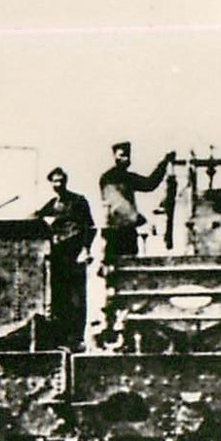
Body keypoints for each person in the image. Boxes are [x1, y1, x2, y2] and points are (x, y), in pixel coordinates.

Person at [35, 167, 95, 346]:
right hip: (58, 258)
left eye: (60, 180)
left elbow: (90, 228)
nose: (58, 184)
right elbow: (36, 216)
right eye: (54, 181)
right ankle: (61, 340)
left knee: (76, 299)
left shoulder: (78, 201)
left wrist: (86, 249)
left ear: (66, 181)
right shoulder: (52, 204)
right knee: (59, 299)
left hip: (75, 257)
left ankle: (77, 339)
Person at [98, 141, 176, 263]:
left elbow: (149, 184)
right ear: (114, 156)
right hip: (114, 232)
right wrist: (137, 218)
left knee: (130, 266)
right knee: (115, 270)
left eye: (128, 155)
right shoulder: (108, 178)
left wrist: (164, 163)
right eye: (122, 155)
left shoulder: (128, 177)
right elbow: (117, 204)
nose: (126, 159)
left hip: (128, 233)